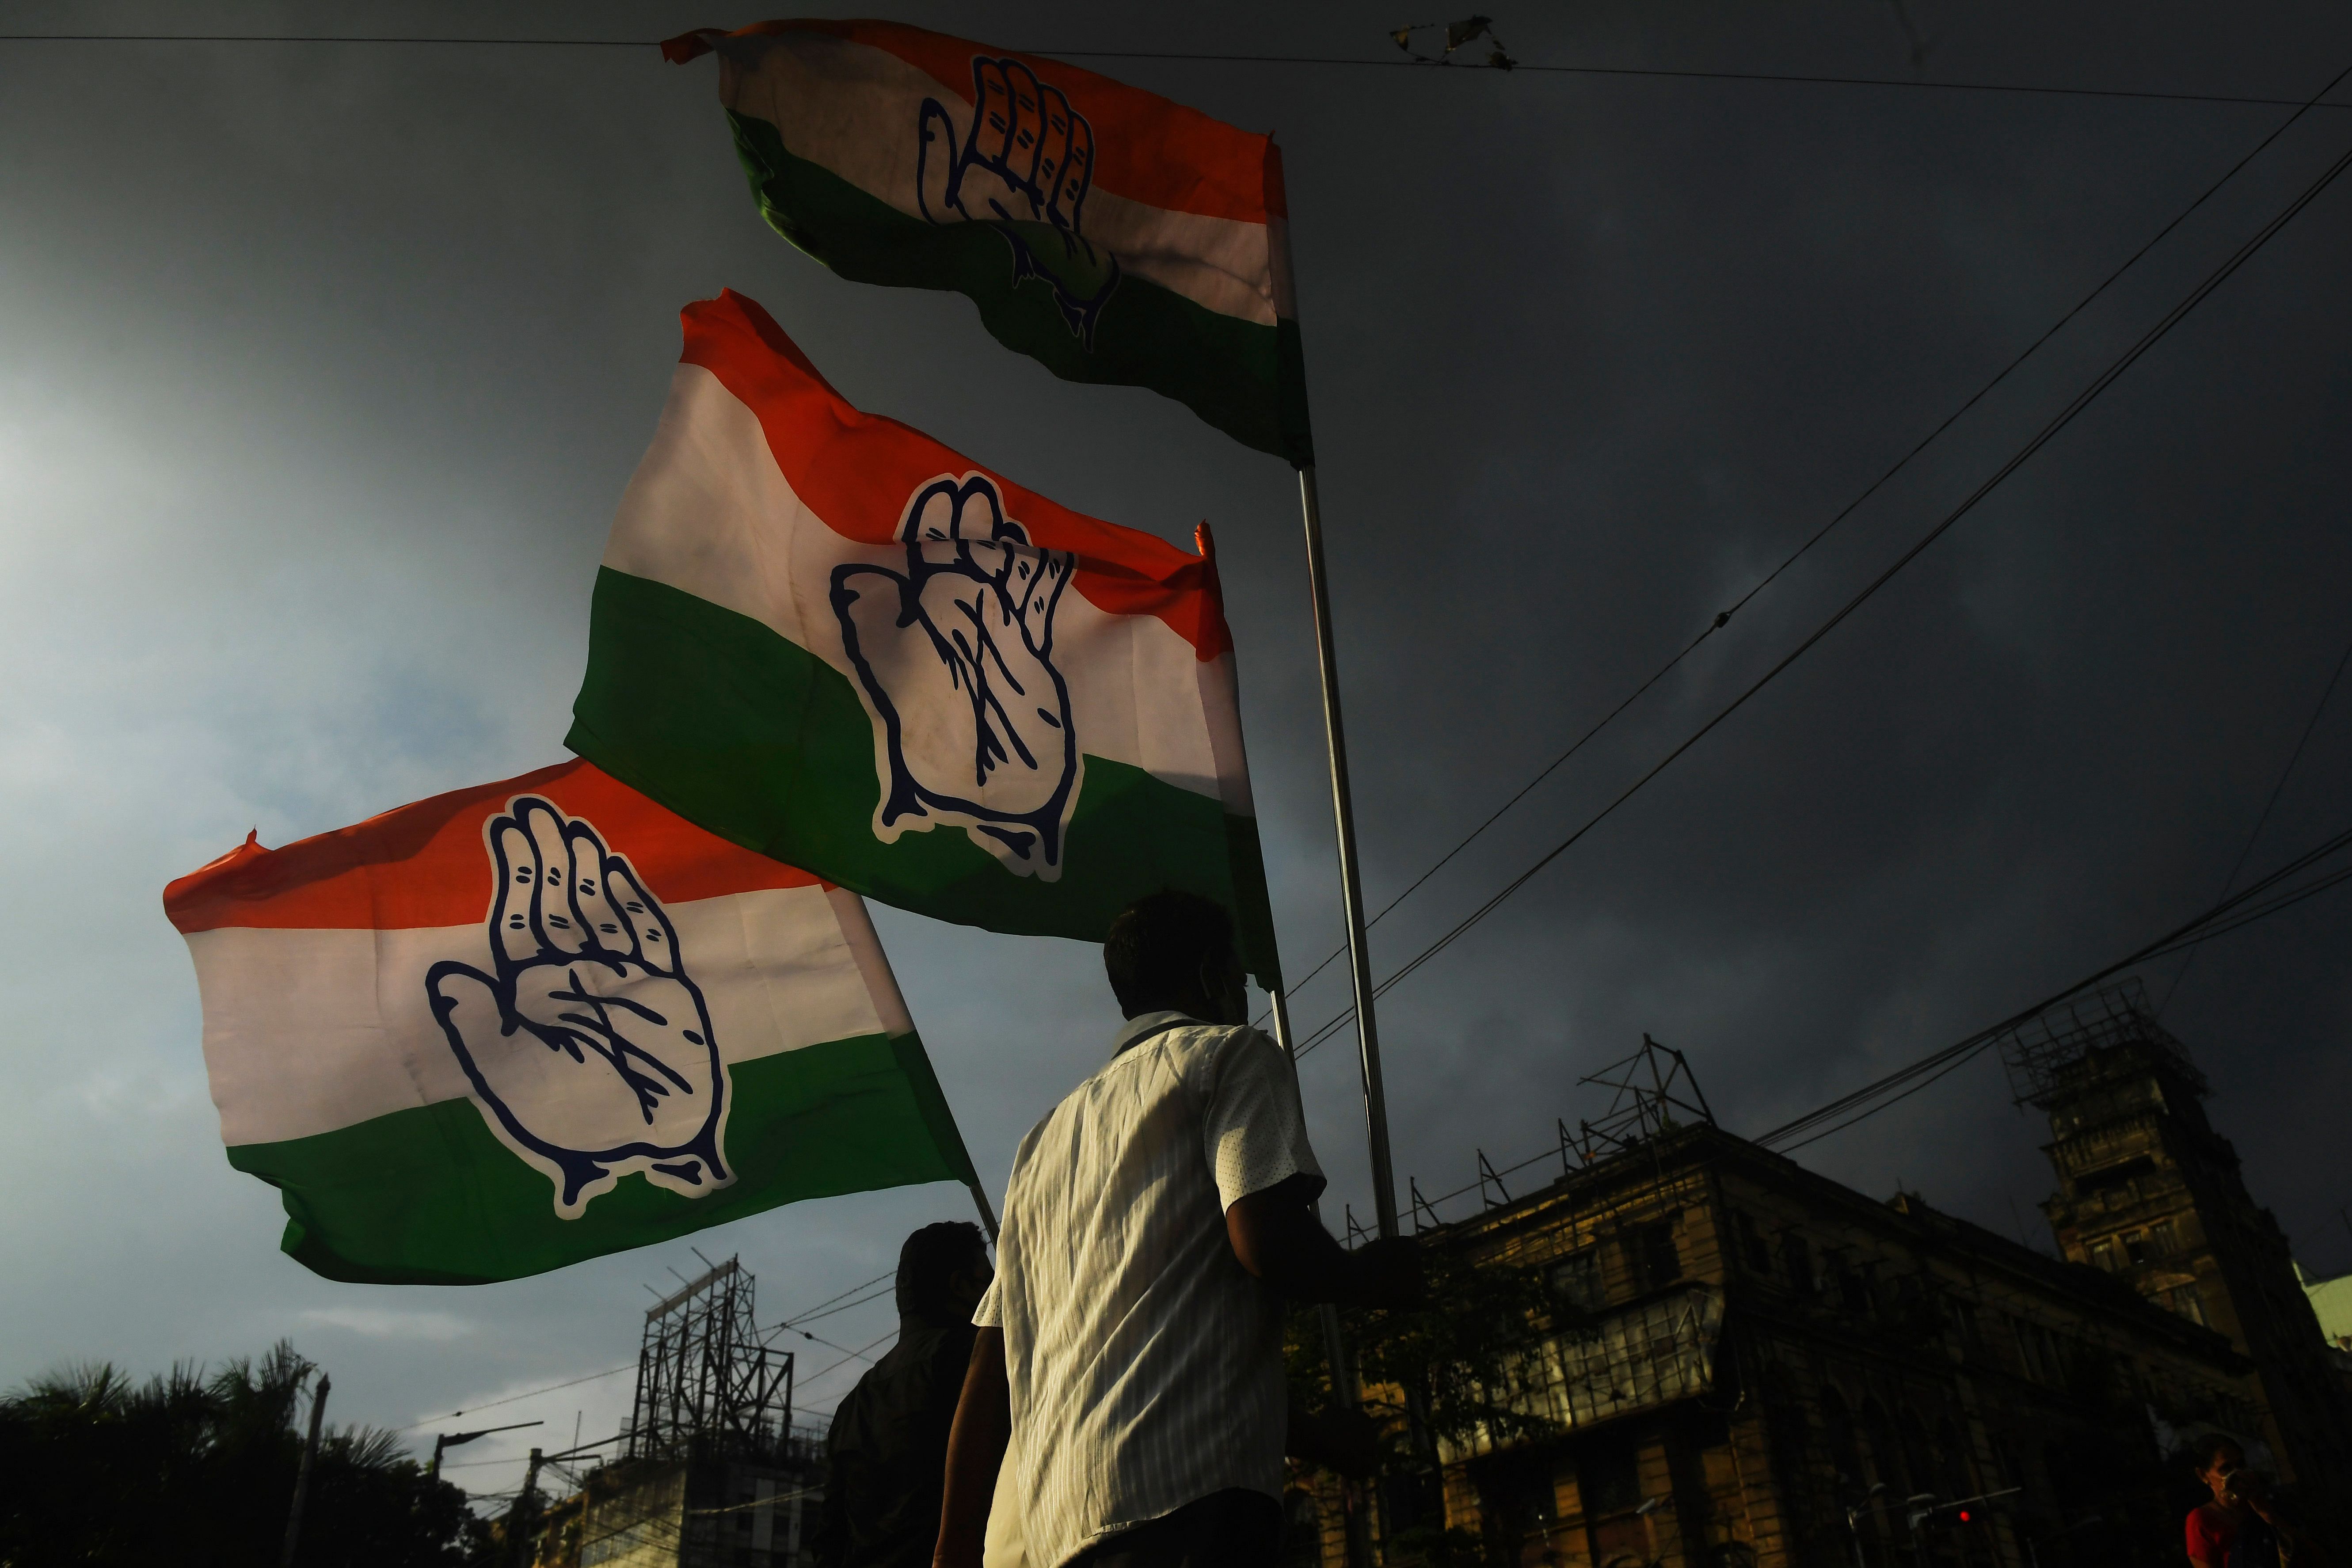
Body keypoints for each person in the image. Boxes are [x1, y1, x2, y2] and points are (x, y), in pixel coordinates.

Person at [934, 890, 1421, 1568]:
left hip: (1057, 1528)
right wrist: (1376, 1277)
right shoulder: (1228, 1056)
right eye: (1239, 977)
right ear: (1211, 978)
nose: (1243, 995)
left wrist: (952, 1551)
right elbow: (1265, 1239)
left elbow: (990, 1374)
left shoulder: (1039, 1143)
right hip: (1193, 1501)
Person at [811, 1222, 994, 1568]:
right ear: (960, 1286)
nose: (997, 1294)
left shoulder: (853, 1404)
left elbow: (830, 1536)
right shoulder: (976, 1361)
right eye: (990, 1281)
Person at [2186, 1433, 2306, 1568]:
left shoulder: (2268, 1502)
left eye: (2240, 1465)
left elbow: (2306, 1551)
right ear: (2203, 1475)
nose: (2237, 1474)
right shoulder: (2201, 1520)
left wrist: (2266, 1513)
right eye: (2226, 1469)